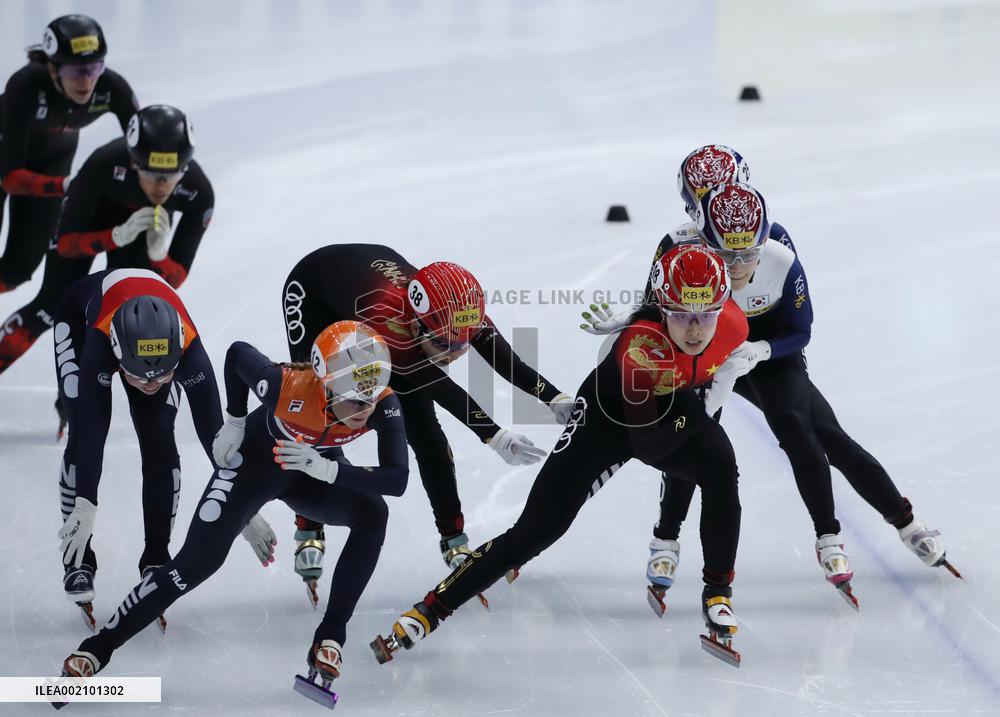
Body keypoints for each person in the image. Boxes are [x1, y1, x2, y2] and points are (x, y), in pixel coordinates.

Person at [585, 169, 959, 610]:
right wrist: (633, 319)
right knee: (692, 441)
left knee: (809, 429)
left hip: (764, 354)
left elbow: (802, 328)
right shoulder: (680, 248)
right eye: (727, 256)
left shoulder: (780, 251)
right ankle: (666, 539)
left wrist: (761, 349)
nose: (739, 267)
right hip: (704, 351)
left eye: (750, 256)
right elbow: (659, 306)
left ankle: (874, 528)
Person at [371, 245, 751, 668]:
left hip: (671, 408)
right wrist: (703, 405)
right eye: (681, 314)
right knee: (536, 531)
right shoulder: (640, 349)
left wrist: (706, 394)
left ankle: (718, 591)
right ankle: (428, 611)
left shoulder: (734, 325)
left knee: (721, 466)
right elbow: (649, 446)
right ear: (662, 308)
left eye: (706, 314)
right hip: (607, 424)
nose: (696, 329)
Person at [60, 320, 408, 693]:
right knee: (195, 565)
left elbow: (396, 480)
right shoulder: (286, 386)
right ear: (326, 385)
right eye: (356, 399)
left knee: (374, 515)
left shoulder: (382, 402)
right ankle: (97, 649)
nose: (365, 408)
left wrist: (325, 469)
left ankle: (331, 636)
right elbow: (237, 354)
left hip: (310, 472)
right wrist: (235, 421)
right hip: (253, 467)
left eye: (372, 396)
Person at [268, 243, 571, 602]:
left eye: (462, 345)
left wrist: (553, 398)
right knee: (321, 411)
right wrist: (495, 435)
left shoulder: (457, 313)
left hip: (367, 283)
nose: (453, 355)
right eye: (444, 345)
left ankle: (453, 538)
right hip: (314, 290)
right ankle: (309, 523)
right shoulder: (393, 326)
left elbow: (502, 356)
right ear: (416, 324)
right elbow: (443, 388)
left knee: (427, 436)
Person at [54, 268, 222, 628]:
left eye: (163, 376)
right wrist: (84, 505)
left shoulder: (189, 346)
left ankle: (157, 556)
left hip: (145, 340)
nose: (150, 384)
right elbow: (93, 434)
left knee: (160, 437)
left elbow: (215, 436)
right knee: (82, 429)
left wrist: (243, 505)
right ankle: (78, 558)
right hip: (81, 315)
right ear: (117, 357)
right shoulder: (100, 342)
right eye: (138, 377)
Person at [0, 104, 213, 375]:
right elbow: (66, 244)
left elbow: (173, 282)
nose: (161, 186)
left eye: (171, 176)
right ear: (133, 162)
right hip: (89, 224)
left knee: (133, 313)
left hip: (140, 232)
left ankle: (77, 401)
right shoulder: (103, 163)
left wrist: (159, 255)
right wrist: (115, 236)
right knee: (51, 306)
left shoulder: (199, 191)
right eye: (150, 174)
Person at [0, 14, 137, 292]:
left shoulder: (112, 87)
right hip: (7, 157)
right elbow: (10, 178)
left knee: (18, 269)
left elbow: (143, 144)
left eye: (94, 68)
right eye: (76, 71)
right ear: (53, 69)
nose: (86, 81)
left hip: (53, 160)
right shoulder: (25, 85)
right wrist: (63, 185)